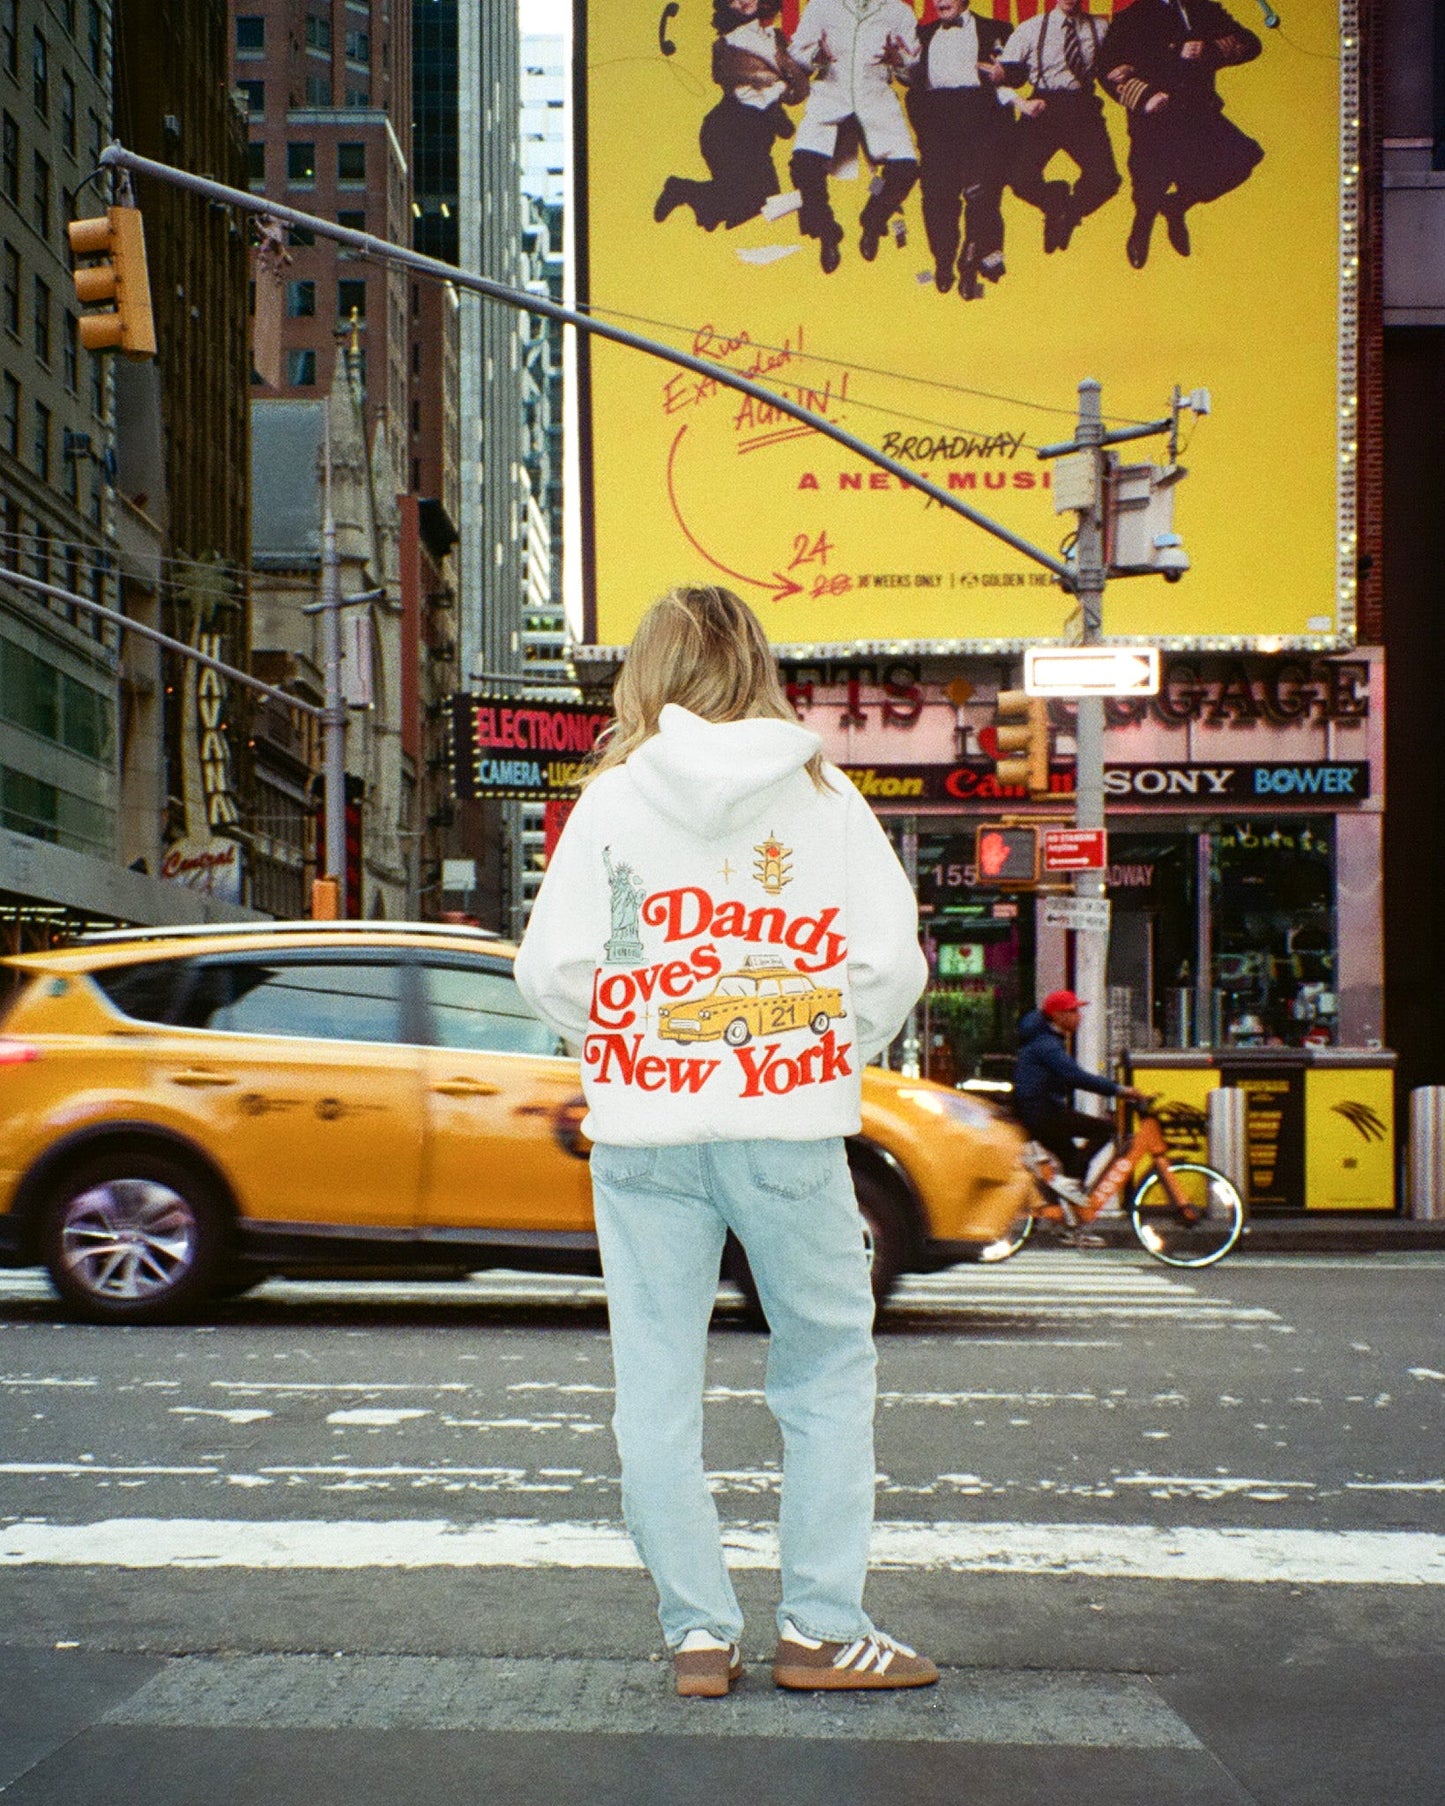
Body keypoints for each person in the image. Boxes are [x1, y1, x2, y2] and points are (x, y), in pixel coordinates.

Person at [514, 584, 937, 1699]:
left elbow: (551, 971)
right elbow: (889, 966)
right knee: (825, 1372)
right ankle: (821, 1629)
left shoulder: (609, 800)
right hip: (786, 1129)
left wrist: (629, 1041)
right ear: (756, 666)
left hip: (646, 1133)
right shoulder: (823, 795)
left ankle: (698, 1635)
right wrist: (822, 1046)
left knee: (654, 1388)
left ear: (646, 673)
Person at [1098, 0, 1262, 269]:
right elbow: (1107, 69)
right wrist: (1147, 95)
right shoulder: (1133, 17)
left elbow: (1250, 44)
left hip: (1198, 113)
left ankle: (1176, 206)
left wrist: (1208, 49)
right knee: (1149, 188)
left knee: (1242, 160)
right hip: (1155, 119)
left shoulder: (1204, 9)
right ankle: (1142, 228)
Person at [787, 0, 921, 273]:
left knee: (905, 169)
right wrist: (816, 56)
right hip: (830, 94)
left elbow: (913, 69)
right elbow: (796, 51)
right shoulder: (821, 6)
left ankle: (873, 220)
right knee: (803, 166)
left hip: (876, 97)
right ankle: (827, 231)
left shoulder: (899, 12)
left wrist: (899, 61)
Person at [654, 0, 809, 234]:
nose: (743, 0)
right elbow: (773, 85)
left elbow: (794, 78)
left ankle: (685, 192)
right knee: (755, 204)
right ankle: (682, 190)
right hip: (729, 131)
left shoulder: (774, 37)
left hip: (756, 135)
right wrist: (785, 88)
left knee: (760, 203)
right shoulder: (729, 43)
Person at [906, 0, 1015, 298]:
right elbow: (911, 81)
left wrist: (1005, 74)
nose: (941, 2)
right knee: (936, 198)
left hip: (982, 120)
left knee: (982, 197)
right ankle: (943, 260)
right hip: (938, 122)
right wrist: (924, 128)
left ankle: (970, 265)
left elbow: (1020, 74)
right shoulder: (922, 34)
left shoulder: (997, 29)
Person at [995, 0, 1121, 254]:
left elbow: (1118, 63)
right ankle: (1054, 199)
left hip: (1082, 106)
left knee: (1106, 180)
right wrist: (1022, 104)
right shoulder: (1030, 28)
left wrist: (1125, 68)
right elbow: (1001, 79)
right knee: (1018, 178)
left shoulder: (1101, 27)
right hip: (1043, 106)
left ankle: (1066, 214)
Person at [1012, 989, 1144, 1189]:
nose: (1079, 1016)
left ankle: (1069, 1198)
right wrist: (1120, 1090)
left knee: (1072, 1160)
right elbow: (1075, 1076)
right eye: (1073, 1011)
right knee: (1105, 1129)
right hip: (1041, 1113)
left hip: (1037, 1112)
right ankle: (1072, 1188)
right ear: (1057, 1015)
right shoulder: (1047, 1044)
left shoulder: (1046, 1039)